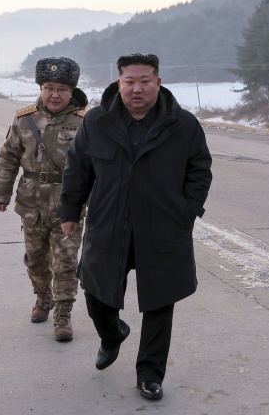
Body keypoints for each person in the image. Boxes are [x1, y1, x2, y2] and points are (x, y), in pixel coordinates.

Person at [59, 53, 212, 400]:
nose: (137, 89)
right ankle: (112, 335)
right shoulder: (97, 121)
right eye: (130, 81)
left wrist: (186, 212)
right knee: (96, 292)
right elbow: (78, 168)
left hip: (162, 229)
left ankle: (150, 374)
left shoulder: (183, 124)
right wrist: (70, 210)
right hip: (108, 224)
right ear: (119, 83)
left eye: (145, 81)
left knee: (160, 302)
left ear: (158, 82)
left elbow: (199, 169)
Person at [0, 57, 88, 341]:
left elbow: (97, 166)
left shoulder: (84, 122)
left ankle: (63, 313)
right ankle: (43, 296)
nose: (54, 94)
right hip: (31, 203)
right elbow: (8, 158)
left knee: (66, 262)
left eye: (61, 88)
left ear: (72, 91)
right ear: (40, 87)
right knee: (35, 260)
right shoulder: (24, 119)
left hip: (68, 205)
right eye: (48, 87)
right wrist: (2, 193)